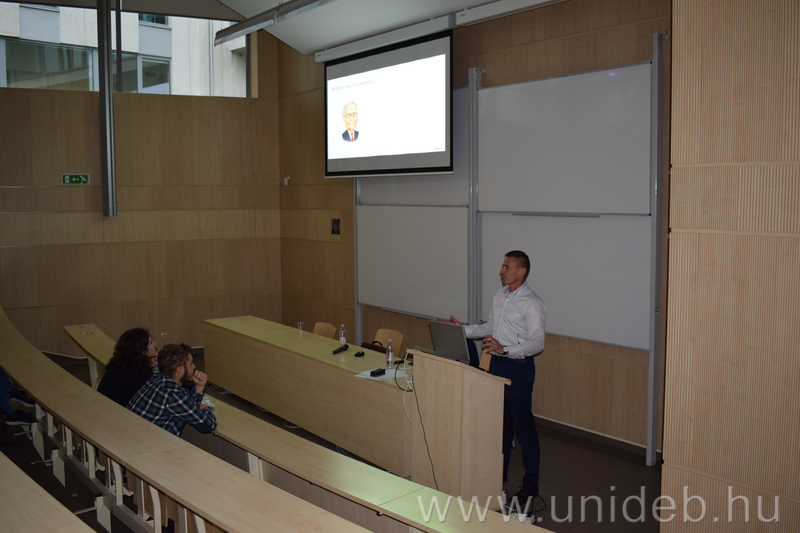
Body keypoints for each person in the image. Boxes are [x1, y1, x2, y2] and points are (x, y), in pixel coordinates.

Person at [442, 250, 546, 508]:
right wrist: (462, 330)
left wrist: (506, 349)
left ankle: (531, 485)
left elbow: (537, 343)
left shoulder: (532, 303)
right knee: (500, 426)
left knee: (523, 428)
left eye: (507, 267)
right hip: (497, 366)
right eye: (502, 266)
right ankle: (498, 476)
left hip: (518, 369)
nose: (501, 271)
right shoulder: (500, 296)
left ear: (521, 271)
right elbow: (490, 327)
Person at [127, 343, 216, 436]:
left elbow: (188, 407)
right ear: (180, 370)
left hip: (133, 435)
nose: (194, 366)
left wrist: (198, 389)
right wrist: (205, 409)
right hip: (150, 441)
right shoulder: (174, 394)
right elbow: (209, 425)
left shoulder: (155, 379)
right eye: (190, 364)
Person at [97, 328, 159, 407]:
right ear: (142, 351)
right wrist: (156, 369)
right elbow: (159, 394)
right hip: (120, 412)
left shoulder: (119, 365)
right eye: (150, 343)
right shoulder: (139, 373)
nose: (154, 344)